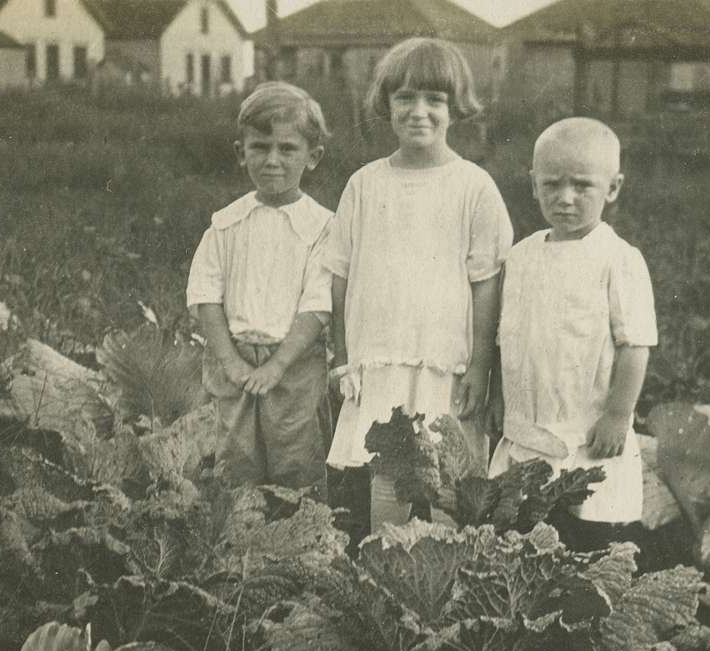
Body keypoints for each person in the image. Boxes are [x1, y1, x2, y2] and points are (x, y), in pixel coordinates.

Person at [324, 39, 513, 533]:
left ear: (456, 108)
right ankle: (392, 584)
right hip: (381, 359)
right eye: (405, 98)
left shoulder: (474, 187)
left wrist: (479, 366)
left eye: (435, 100)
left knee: (447, 484)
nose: (419, 112)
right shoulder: (364, 185)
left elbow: (486, 284)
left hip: (444, 363)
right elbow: (340, 277)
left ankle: (445, 587)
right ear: (386, 104)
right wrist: (344, 357)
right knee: (389, 484)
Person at [486, 117, 658, 549]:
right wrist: (497, 398)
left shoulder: (618, 259)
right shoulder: (521, 256)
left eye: (582, 186)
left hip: (587, 430)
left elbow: (636, 343)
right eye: (552, 185)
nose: (565, 199)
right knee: (521, 534)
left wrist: (619, 414)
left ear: (612, 188)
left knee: (588, 533)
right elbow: (507, 336)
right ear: (533, 185)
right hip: (527, 424)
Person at [186, 82, 333, 500]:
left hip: (295, 365)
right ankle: (239, 547)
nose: (272, 160)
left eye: (287, 149)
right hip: (233, 361)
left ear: (312, 157)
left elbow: (318, 306)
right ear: (240, 152)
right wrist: (230, 362)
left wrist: (278, 365)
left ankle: (302, 546)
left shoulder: (323, 227)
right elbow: (205, 297)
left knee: (297, 460)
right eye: (260, 147)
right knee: (234, 464)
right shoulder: (226, 224)